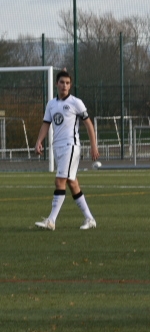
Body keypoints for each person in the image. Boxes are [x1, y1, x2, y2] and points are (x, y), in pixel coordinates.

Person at [33, 69, 100, 231]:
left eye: (68, 83)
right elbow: (46, 124)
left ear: (70, 86)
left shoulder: (76, 102)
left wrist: (94, 146)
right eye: (62, 82)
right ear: (57, 84)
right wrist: (39, 141)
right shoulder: (51, 104)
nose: (65, 85)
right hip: (58, 148)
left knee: (59, 181)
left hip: (71, 147)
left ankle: (51, 220)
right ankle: (90, 219)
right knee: (72, 183)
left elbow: (89, 125)